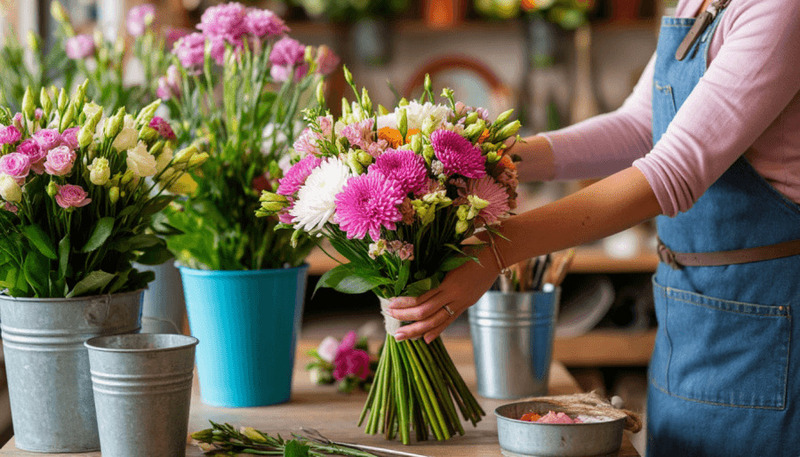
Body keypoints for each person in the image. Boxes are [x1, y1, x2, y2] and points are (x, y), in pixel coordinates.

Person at [386, 0, 800, 455]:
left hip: (764, 328)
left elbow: (671, 173)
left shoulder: (782, 11)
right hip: (692, 316)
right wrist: (481, 159)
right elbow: (642, 127)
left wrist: (497, 251)